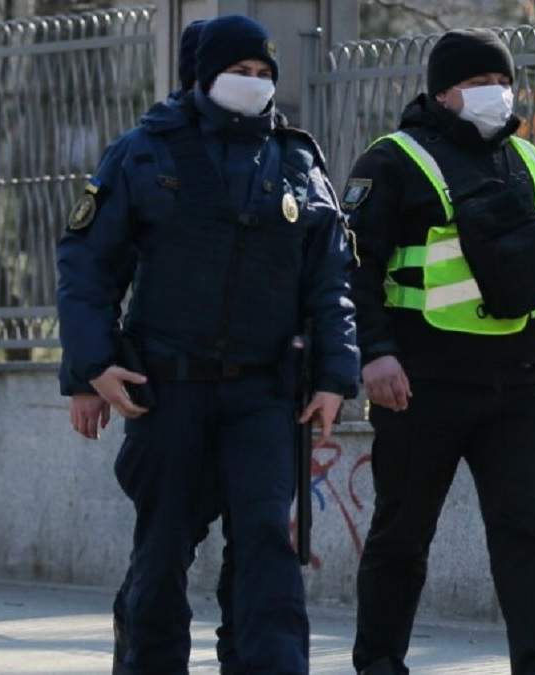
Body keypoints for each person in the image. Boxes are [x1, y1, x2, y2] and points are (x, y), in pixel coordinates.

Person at [57, 14, 359, 675]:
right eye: (237, 71)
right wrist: (89, 368)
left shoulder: (296, 161)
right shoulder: (146, 151)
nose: (252, 83)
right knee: (164, 548)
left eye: (262, 73)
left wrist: (335, 378)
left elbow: (330, 279)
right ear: (203, 77)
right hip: (168, 388)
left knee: (267, 545)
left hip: (264, 392)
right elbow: (88, 265)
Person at [343, 28, 535, 675]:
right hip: (420, 384)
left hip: (519, 384)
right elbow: (354, 271)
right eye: (480, 83)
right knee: (402, 536)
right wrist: (375, 354)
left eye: (503, 82)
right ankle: (379, 664)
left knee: (527, 534)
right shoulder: (393, 161)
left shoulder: (530, 163)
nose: (496, 94)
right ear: (443, 93)